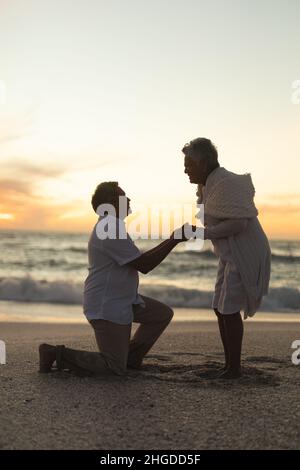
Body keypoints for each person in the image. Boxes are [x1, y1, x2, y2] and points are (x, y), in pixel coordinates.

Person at [39, 181, 192, 377]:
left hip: (123, 299)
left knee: (161, 314)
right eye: (123, 196)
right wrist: (175, 239)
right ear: (112, 202)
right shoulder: (109, 228)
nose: (129, 199)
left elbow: (139, 259)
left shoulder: (112, 226)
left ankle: (131, 358)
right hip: (107, 305)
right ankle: (55, 353)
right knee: (113, 367)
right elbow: (144, 265)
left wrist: (174, 238)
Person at [182, 137, 271, 379]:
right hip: (229, 254)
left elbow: (239, 223)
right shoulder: (208, 186)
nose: (185, 169)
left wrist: (202, 233)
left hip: (245, 253)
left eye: (189, 164)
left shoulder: (225, 182)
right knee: (219, 308)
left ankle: (234, 368)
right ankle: (229, 364)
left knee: (229, 310)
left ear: (203, 162)